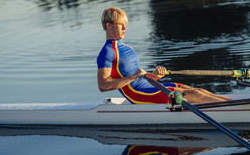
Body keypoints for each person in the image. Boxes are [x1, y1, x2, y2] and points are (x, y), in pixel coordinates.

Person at [97, 7, 232, 104]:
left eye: (125, 25)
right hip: (138, 94)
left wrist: (154, 76)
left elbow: (139, 74)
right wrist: (133, 77)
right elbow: (103, 86)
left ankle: (241, 105)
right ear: (109, 26)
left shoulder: (127, 47)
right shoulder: (107, 52)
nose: (125, 28)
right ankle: (234, 110)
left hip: (151, 86)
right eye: (121, 25)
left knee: (197, 89)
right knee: (195, 94)